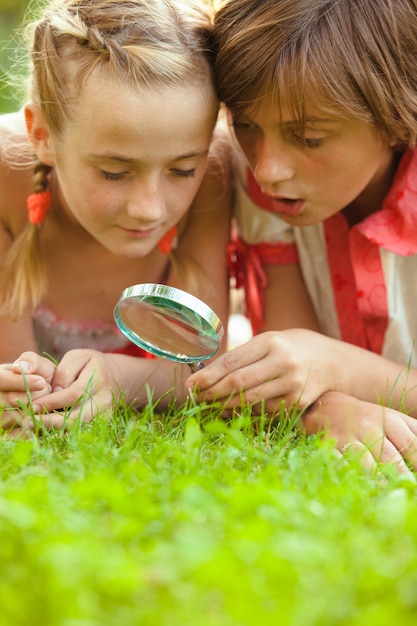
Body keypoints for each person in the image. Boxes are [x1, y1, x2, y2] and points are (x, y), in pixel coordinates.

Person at [187, 0, 417, 473]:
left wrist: (335, 366)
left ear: (396, 118)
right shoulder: (258, 186)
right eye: (246, 126)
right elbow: (289, 357)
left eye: (309, 138)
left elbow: (311, 355)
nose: (267, 169)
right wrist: (326, 404)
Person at [0, 0, 231, 433]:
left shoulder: (214, 178)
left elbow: (208, 366)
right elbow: (11, 374)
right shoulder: (3, 176)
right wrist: (20, 386)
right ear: (42, 136)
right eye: (114, 172)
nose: (150, 208)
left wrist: (120, 379)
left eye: (183, 170)